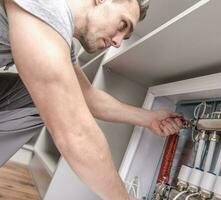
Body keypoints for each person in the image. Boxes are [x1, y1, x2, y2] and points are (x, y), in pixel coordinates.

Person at [0, 0, 184, 199]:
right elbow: (75, 132)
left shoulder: (59, 35)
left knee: (46, 97)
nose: (118, 42)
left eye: (126, 36)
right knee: (62, 109)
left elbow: (88, 97)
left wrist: (150, 118)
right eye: (123, 25)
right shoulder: (48, 9)